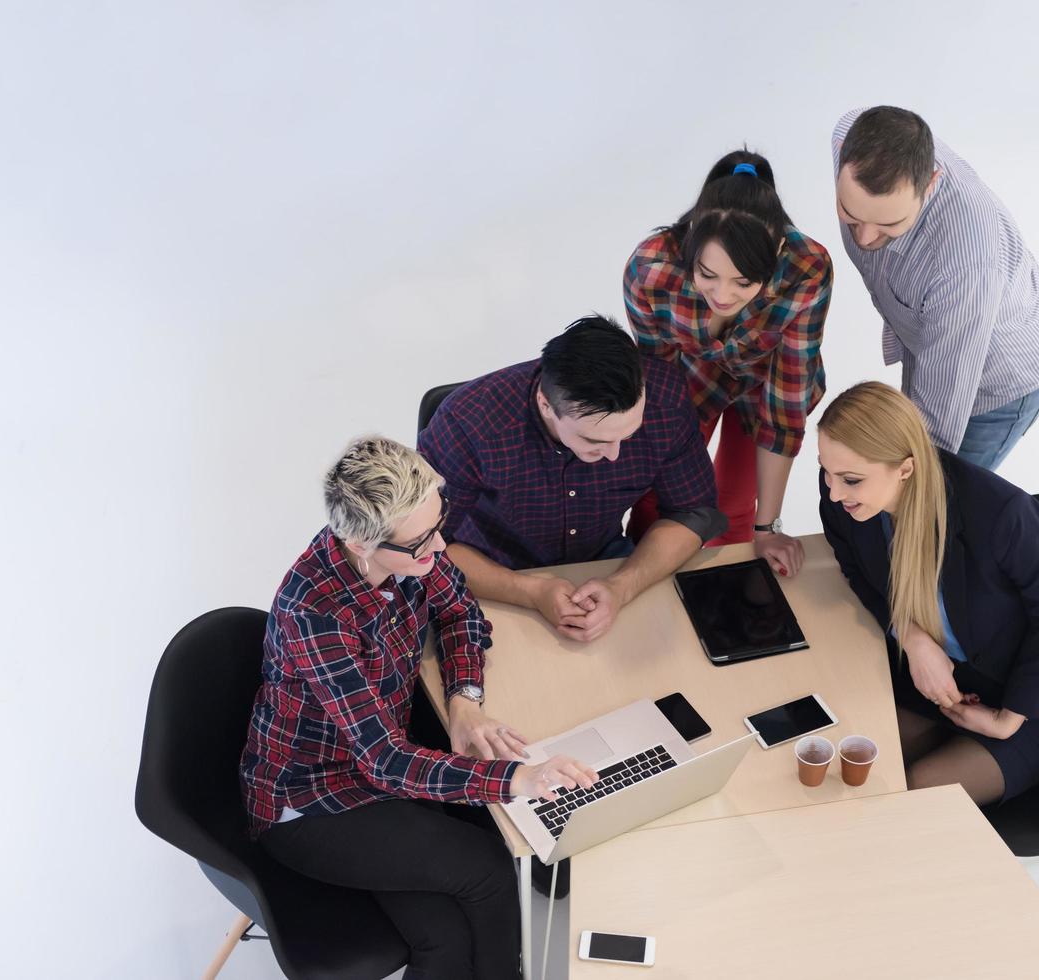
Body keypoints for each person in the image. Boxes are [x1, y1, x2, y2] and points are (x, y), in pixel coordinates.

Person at [240, 436, 597, 980]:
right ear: (361, 541)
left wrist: (463, 701)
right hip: (310, 799)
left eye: (438, 525)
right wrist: (518, 778)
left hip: (377, 771)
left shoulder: (412, 553)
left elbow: (463, 616)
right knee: (489, 870)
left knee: (442, 939)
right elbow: (385, 760)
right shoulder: (315, 613)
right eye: (419, 542)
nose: (437, 550)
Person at [816, 381, 1039, 805]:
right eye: (825, 471)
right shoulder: (844, 498)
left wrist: (1009, 718)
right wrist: (911, 637)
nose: (834, 493)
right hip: (944, 687)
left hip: (1036, 707)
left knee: (915, 794)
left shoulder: (1003, 516)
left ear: (905, 469)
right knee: (848, 759)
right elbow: (856, 573)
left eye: (851, 479)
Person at [417, 315, 726, 645]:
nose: (615, 455)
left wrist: (622, 587)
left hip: (604, 560)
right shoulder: (467, 422)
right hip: (491, 570)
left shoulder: (666, 396)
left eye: (629, 433)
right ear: (546, 405)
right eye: (594, 441)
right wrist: (530, 592)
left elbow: (693, 512)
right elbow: (426, 546)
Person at [623, 149, 832, 575]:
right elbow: (657, 383)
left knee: (735, 503)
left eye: (744, 282)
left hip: (766, 380)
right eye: (707, 275)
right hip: (690, 373)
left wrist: (768, 527)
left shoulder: (807, 269)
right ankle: (638, 577)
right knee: (655, 494)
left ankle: (725, 589)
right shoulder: (650, 269)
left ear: (775, 251)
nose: (722, 296)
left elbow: (785, 402)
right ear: (691, 243)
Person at [831, 106, 1039, 471]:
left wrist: (910, 486)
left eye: (888, 225)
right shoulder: (847, 135)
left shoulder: (964, 265)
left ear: (931, 185)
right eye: (851, 215)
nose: (864, 237)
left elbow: (934, 430)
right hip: (931, 341)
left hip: (998, 382)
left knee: (940, 495)